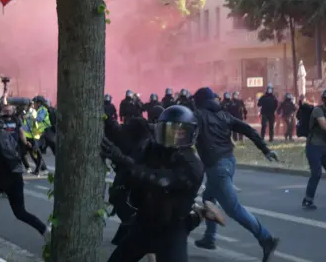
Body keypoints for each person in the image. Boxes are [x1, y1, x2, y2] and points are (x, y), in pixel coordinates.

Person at [102, 105, 220, 262]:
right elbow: (130, 157)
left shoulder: (192, 165)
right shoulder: (150, 149)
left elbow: (161, 181)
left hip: (172, 231)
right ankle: (200, 214)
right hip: (143, 224)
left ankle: (198, 215)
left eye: (181, 132)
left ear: (191, 133)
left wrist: (123, 160)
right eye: (170, 131)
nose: (175, 136)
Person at [191, 87, 279, 262]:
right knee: (208, 197)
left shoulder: (198, 115)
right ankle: (209, 238)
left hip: (217, 167)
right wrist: (265, 150)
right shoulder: (224, 115)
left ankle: (266, 238)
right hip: (229, 162)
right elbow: (249, 130)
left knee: (234, 209)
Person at [0, 110, 50, 239]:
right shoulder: (2, 131)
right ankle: (45, 231)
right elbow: (7, 153)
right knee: (20, 212)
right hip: (15, 175)